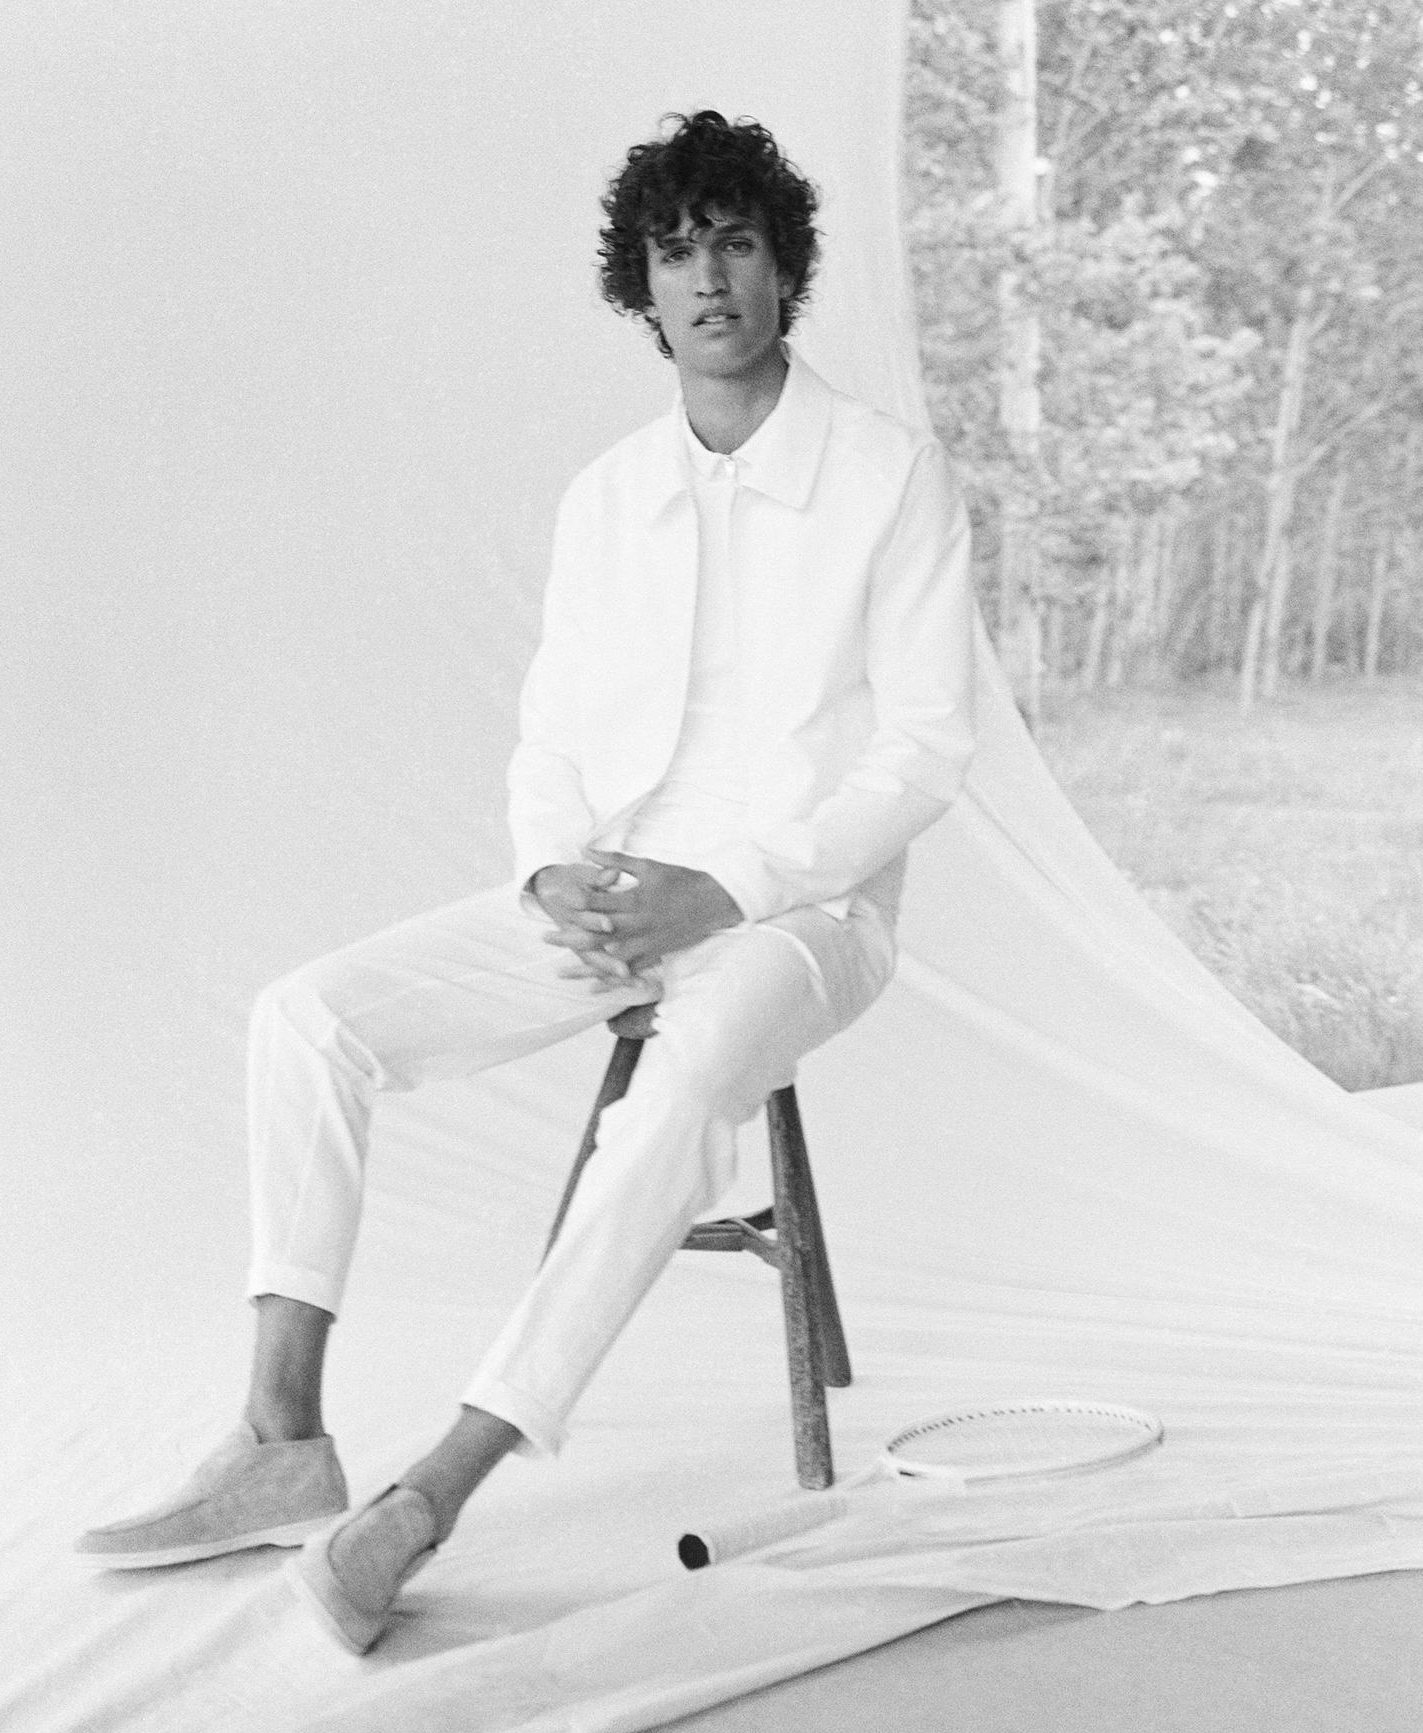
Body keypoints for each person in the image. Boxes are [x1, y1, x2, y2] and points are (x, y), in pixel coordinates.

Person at [75, 109, 979, 1653]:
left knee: (679, 1090)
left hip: (804, 916)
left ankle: (434, 1489)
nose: (709, 278)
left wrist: (732, 886)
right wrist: (551, 869)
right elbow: (552, 732)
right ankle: (280, 1437)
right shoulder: (608, 495)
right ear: (643, 285)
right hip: (612, 899)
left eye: (737, 242)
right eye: (677, 250)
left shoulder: (889, 479)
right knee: (308, 1019)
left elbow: (922, 754)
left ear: (786, 267)